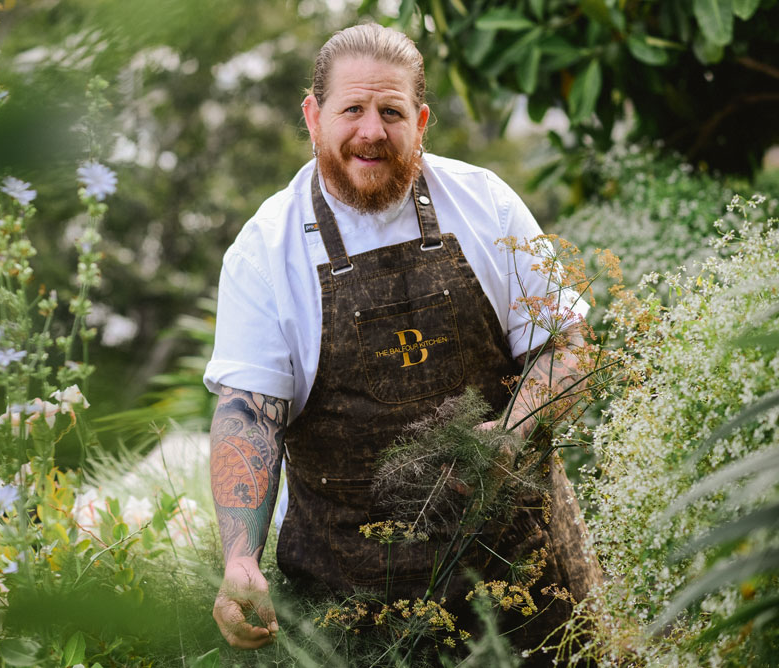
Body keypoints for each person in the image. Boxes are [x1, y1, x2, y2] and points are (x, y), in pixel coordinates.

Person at [203, 22, 602, 657]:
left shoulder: (486, 205)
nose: (371, 131)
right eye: (352, 109)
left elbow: (569, 347)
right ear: (313, 116)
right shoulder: (264, 252)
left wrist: (511, 435)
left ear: (419, 121)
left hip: (527, 587)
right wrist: (240, 558)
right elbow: (250, 415)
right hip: (356, 613)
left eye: (390, 111)